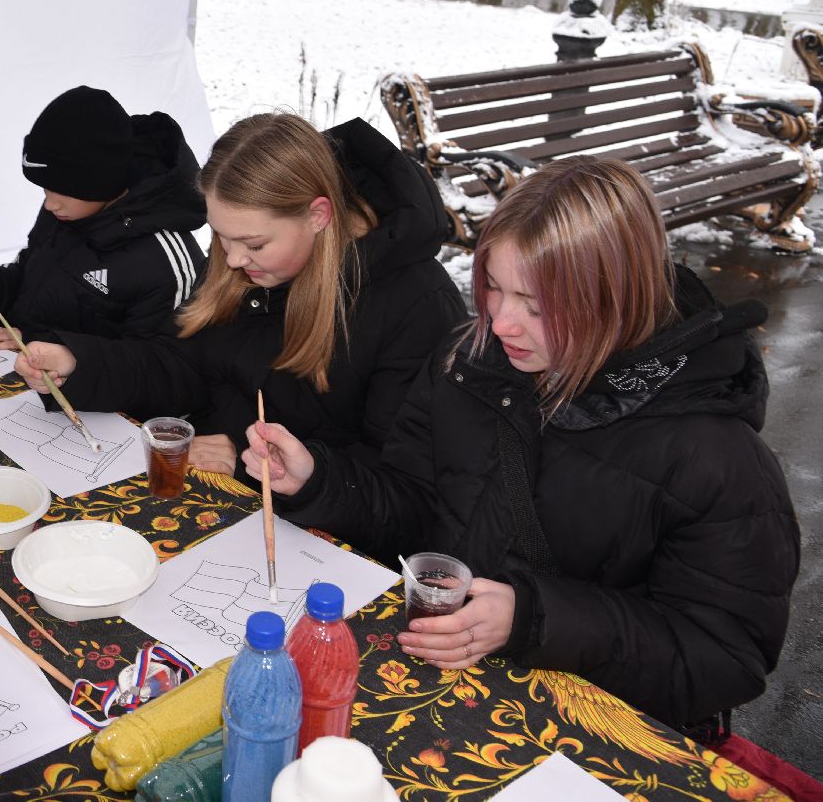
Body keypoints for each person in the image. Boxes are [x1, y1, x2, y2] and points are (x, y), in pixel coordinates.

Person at [242, 156, 800, 733]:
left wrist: (534, 619)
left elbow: (724, 660)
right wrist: (323, 480)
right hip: (461, 684)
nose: (502, 322)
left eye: (536, 306)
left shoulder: (716, 459)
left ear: (616, 298)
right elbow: (417, 507)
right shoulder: (467, 362)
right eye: (494, 289)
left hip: (595, 730)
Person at [15, 113, 465, 488]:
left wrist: (261, 466)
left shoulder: (416, 304)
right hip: (222, 487)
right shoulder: (249, 263)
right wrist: (80, 364)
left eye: (252, 243)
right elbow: (182, 365)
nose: (231, 258)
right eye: (219, 236)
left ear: (317, 215)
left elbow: (403, 486)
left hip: (317, 538)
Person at [0, 85, 206, 350]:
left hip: (77, 388)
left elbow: (153, 369)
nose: (49, 204)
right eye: (45, 190)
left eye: (60, 191)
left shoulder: (163, 263)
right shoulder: (70, 208)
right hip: (25, 370)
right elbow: (30, 285)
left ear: (99, 182)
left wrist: (40, 346)